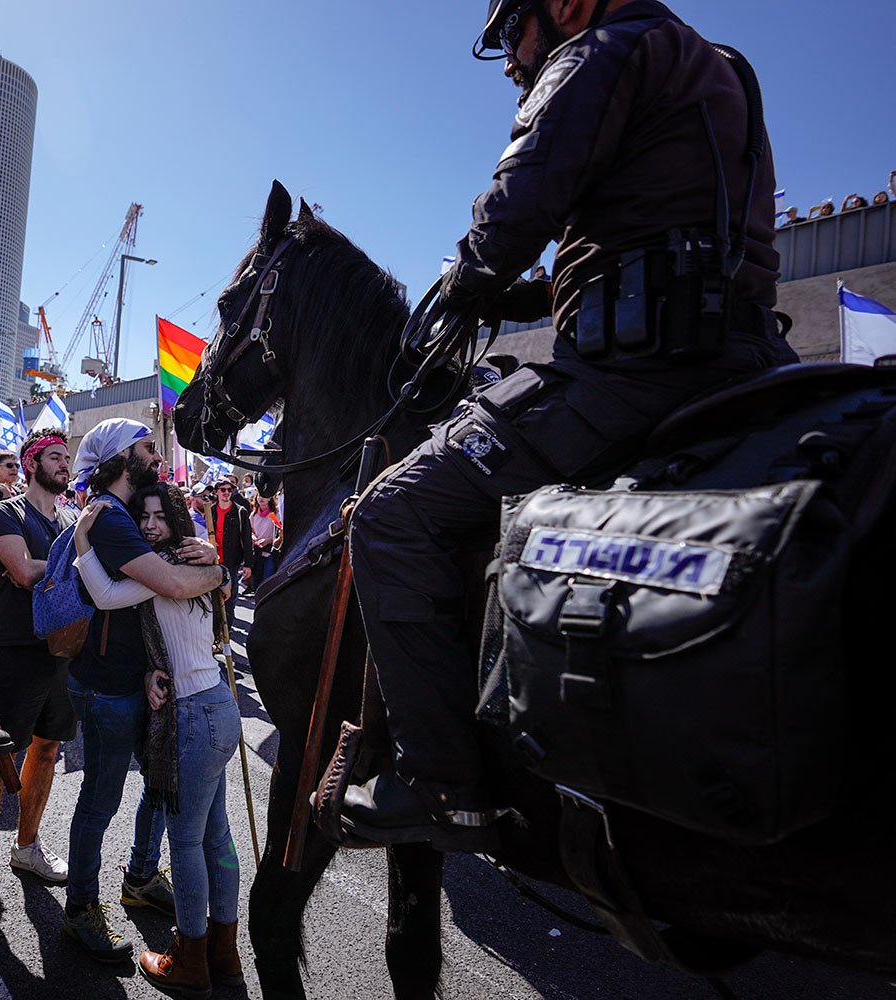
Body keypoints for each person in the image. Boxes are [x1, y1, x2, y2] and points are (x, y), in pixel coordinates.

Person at [341, 0, 798, 850]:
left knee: (390, 515)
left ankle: (442, 785)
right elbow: (658, 235)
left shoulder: (599, 52)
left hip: (632, 375)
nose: (512, 59)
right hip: (748, 360)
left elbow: (515, 210)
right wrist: (526, 293)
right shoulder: (721, 67)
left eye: (514, 28)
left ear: (565, 3)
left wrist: (464, 281)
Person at [61, 418, 224, 962]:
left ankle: (140, 877)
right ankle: (81, 908)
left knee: (159, 788)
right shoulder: (107, 518)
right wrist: (219, 574)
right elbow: (168, 585)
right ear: (122, 455)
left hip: (137, 680)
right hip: (107, 689)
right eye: (147, 446)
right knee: (100, 802)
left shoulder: (126, 514)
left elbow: (167, 558)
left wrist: (196, 544)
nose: (156, 453)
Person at [0, 429, 78, 925]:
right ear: (31, 464)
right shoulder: (4, 513)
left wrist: (41, 568)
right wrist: (60, 569)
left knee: (48, 748)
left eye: (66, 458)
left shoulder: (71, 517)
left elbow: (36, 570)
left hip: (64, 651)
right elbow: (21, 573)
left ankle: (26, 846)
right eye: (54, 457)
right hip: (15, 651)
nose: (63, 465)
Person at [208, 477, 254, 617]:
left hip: (232, 561)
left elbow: (247, 539)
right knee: (213, 598)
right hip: (213, 561)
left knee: (230, 600)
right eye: (223, 490)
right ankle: (217, 629)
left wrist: (248, 564)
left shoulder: (241, 512)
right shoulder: (210, 511)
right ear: (217, 492)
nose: (227, 492)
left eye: (230, 489)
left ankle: (227, 629)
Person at [247, 493, 283, 594]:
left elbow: (280, 532)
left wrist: (267, 540)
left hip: (270, 552)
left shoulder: (275, 514)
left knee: (268, 579)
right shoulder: (253, 515)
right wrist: (253, 538)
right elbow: (250, 531)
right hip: (257, 552)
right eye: (259, 496)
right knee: (257, 580)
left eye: (264, 496)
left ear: (270, 498)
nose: (261, 499)